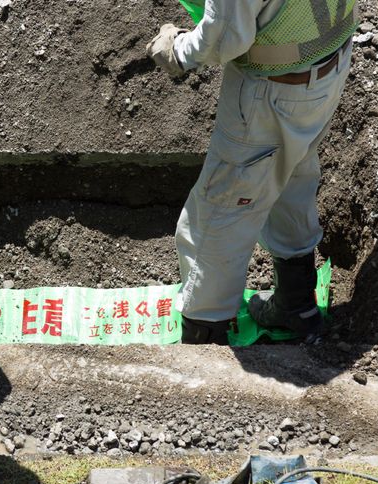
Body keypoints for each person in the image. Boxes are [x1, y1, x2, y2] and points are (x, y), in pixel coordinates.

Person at [147, 0, 359, 345]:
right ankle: (297, 305)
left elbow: (223, 38)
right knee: (291, 177)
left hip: (273, 88)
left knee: (221, 209)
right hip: (328, 65)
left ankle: (204, 331)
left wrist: (178, 49)